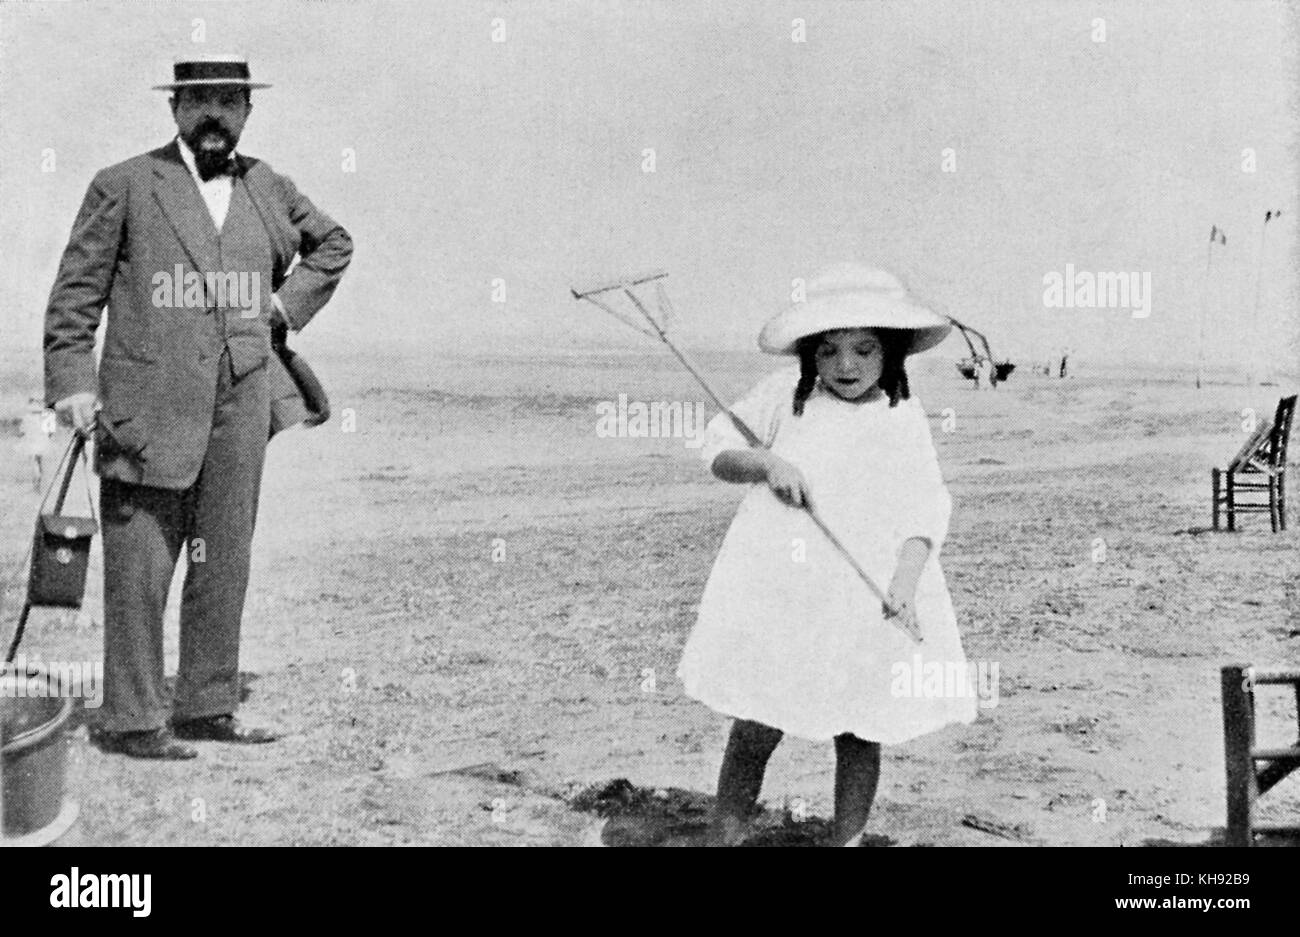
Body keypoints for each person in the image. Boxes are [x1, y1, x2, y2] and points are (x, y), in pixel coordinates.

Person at [43, 55, 352, 759]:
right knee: (139, 567)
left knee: (223, 561)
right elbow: (75, 295)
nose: (214, 115)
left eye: (229, 102)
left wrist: (282, 305)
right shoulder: (124, 185)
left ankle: (207, 705)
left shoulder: (268, 185)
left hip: (240, 404)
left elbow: (334, 244)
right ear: (175, 108)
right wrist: (72, 384)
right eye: (199, 101)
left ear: (248, 111)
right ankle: (130, 719)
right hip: (145, 405)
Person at [677, 263, 977, 846]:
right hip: (783, 591)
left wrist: (905, 584)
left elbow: (925, 509)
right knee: (757, 721)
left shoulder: (902, 417)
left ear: (891, 354)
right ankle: (723, 837)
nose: (846, 366)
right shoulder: (783, 400)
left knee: (860, 729)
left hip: (865, 593)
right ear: (809, 355)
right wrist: (766, 464)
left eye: (865, 351)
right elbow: (716, 452)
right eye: (830, 351)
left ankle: (849, 840)